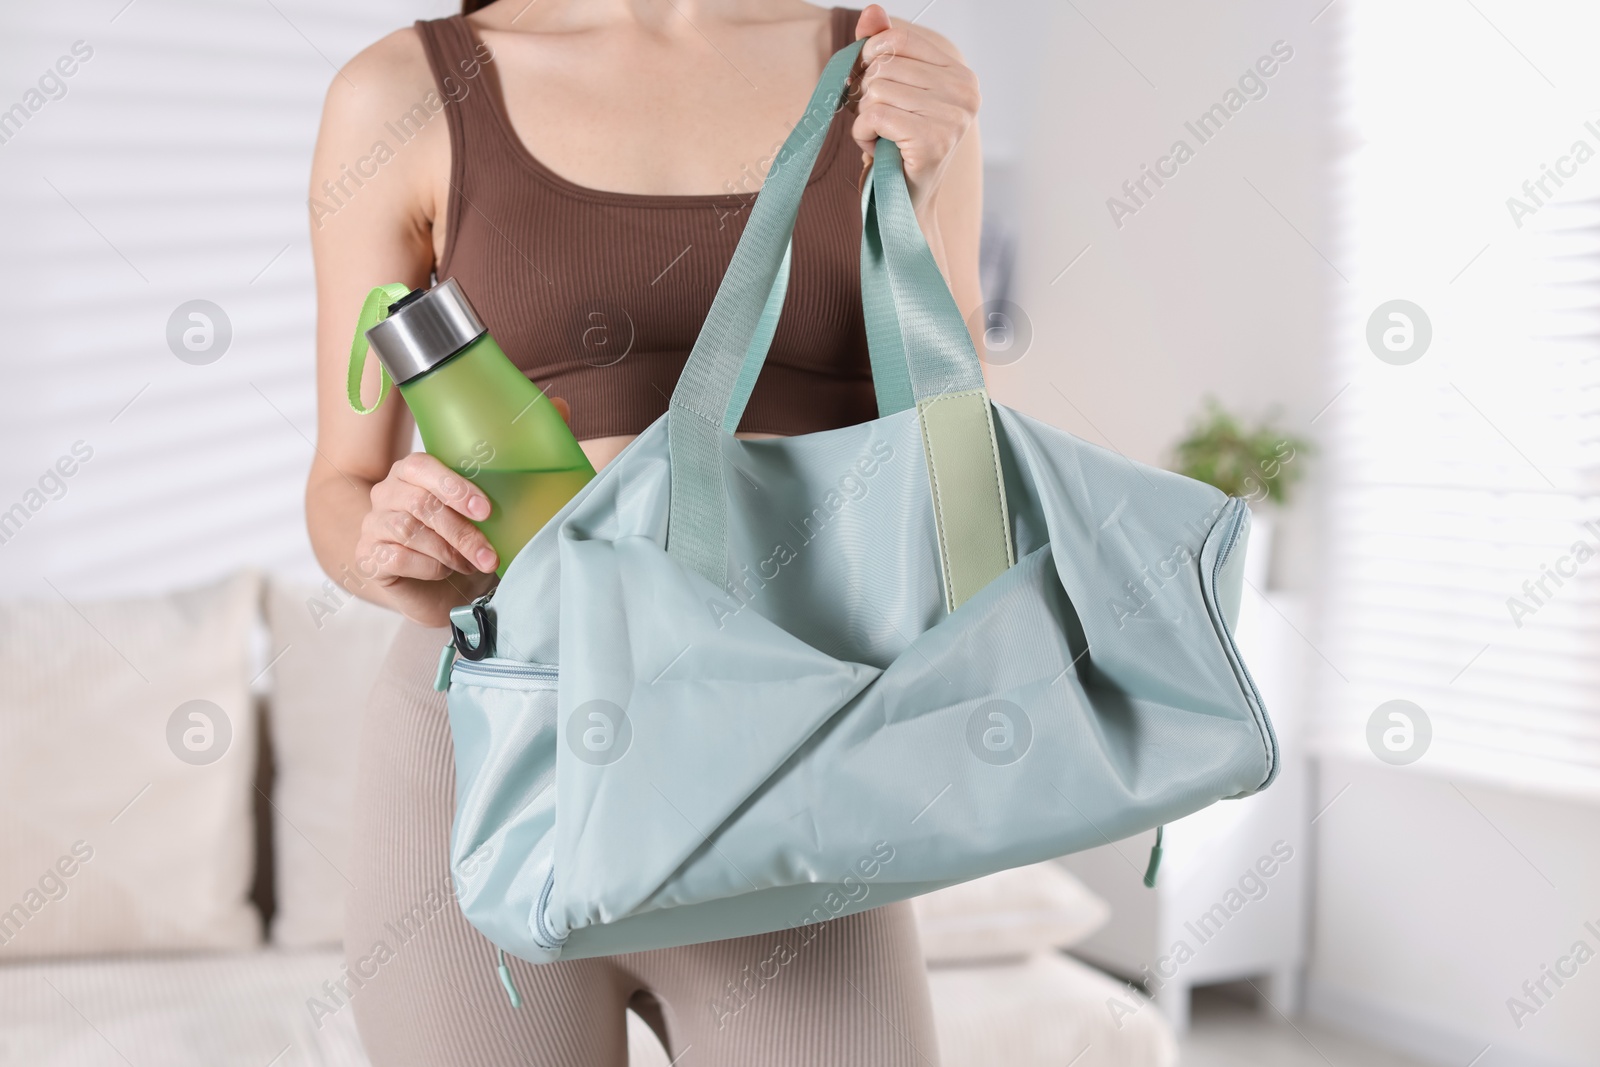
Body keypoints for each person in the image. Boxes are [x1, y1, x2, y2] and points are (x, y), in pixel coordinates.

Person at [304, 2, 982, 1063]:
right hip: (491, 743)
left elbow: (956, 457)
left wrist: (923, 191)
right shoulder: (403, 92)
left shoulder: (885, 76)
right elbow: (341, 487)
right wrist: (395, 548)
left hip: (790, 760)